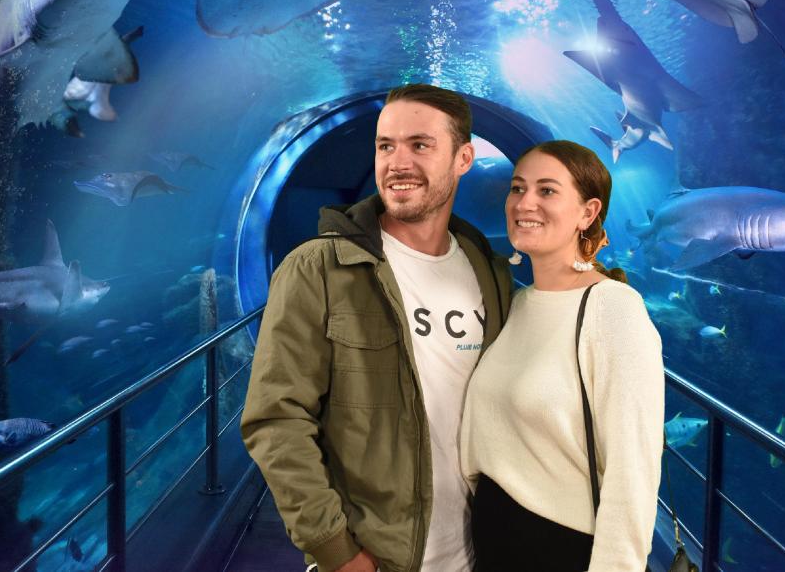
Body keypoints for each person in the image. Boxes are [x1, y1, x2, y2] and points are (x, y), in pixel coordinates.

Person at [241, 84, 513, 572]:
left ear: (464, 159)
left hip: (483, 550)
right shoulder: (318, 269)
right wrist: (336, 551)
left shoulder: (489, 272)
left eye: (420, 145)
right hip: (376, 557)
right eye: (386, 145)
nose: (397, 163)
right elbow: (276, 418)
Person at [461, 140, 665, 572]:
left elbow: (634, 471)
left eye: (547, 190)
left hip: (561, 550)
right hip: (493, 546)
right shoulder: (518, 304)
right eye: (518, 188)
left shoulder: (613, 310)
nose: (524, 203)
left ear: (588, 213)